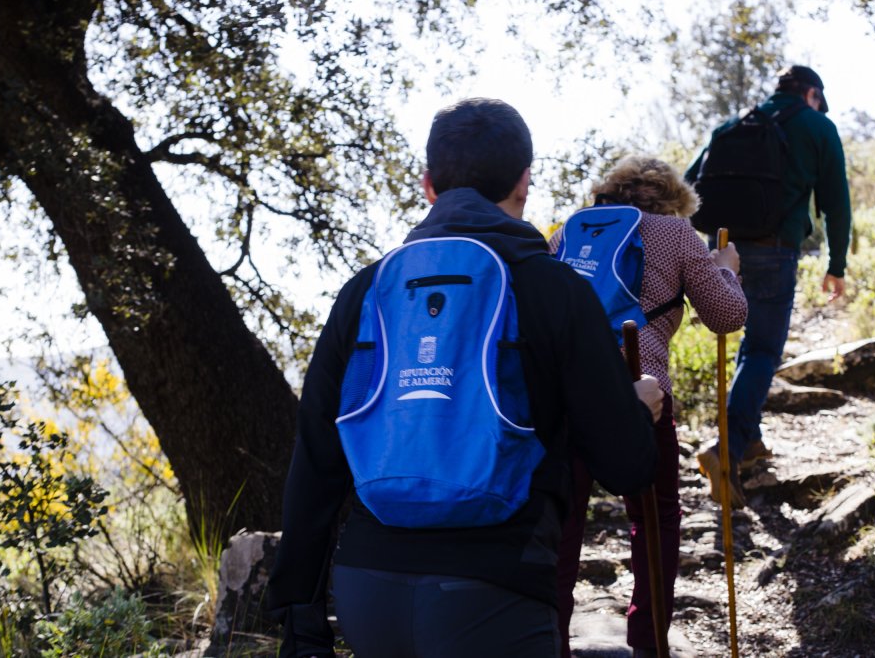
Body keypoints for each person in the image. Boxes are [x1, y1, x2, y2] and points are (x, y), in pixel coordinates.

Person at [264, 97, 664, 658]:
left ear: (429, 185)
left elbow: (316, 460)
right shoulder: (556, 290)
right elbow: (625, 465)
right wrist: (636, 406)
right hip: (497, 595)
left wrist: (299, 618)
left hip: (367, 591)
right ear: (525, 182)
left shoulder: (364, 292)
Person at [550, 156, 747, 658]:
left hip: (563, 395)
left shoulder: (567, 235)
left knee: (564, 519)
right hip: (642, 390)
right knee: (655, 517)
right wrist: (726, 270)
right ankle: (648, 643)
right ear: (673, 200)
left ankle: (550, 644)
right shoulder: (675, 234)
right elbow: (726, 316)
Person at [684, 65, 852, 507]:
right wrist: (836, 265)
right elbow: (836, 203)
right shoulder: (818, 127)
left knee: (749, 346)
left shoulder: (732, 125)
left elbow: (685, 183)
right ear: (811, 94)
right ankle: (727, 450)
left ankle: (750, 440)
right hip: (774, 250)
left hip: (720, 251)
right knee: (762, 350)